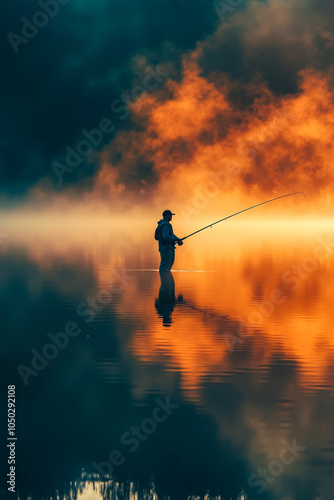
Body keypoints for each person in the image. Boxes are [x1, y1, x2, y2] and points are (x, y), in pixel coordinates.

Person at [156, 209, 183, 274]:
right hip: (166, 249)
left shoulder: (166, 224)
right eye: (170, 215)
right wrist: (175, 239)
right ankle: (164, 281)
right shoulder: (165, 225)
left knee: (168, 267)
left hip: (168, 248)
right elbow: (166, 236)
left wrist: (177, 239)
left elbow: (171, 235)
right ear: (167, 216)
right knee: (164, 267)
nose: (171, 217)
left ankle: (166, 281)